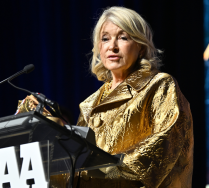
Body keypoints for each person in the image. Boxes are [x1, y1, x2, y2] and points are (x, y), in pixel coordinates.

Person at [17, 6, 193, 188]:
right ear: (99, 48)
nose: (112, 46)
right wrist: (44, 129)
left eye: (123, 37)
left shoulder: (159, 85)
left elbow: (162, 149)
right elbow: (74, 167)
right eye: (105, 39)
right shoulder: (90, 104)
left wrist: (100, 168)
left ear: (140, 47)